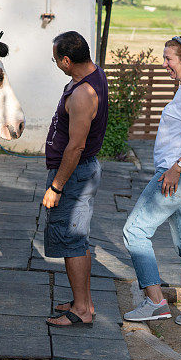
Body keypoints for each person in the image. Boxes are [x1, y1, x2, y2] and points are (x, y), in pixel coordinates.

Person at [122, 34, 181, 330]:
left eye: (169, 59)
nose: (164, 64)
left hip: (178, 177)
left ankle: (156, 303)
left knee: (134, 231)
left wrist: (175, 168)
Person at [42, 31, 108, 328]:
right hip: (80, 172)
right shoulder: (91, 75)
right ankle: (84, 301)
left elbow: (76, 146)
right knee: (76, 239)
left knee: (72, 240)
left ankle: (82, 309)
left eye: (56, 59)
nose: (55, 63)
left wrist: (57, 186)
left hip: (75, 175)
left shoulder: (83, 93)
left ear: (67, 60)